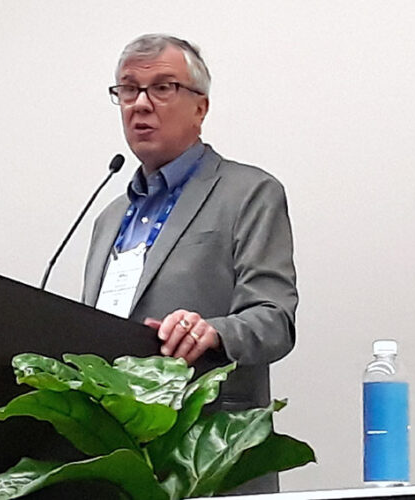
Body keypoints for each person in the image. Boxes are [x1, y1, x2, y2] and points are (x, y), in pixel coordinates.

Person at [82, 34, 298, 493]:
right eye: (128, 89)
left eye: (162, 87)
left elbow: (275, 319)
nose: (140, 104)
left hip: (206, 463)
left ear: (201, 107)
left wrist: (212, 332)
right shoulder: (106, 219)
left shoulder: (250, 194)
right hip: (118, 466)